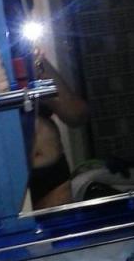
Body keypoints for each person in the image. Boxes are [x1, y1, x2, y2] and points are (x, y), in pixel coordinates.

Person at [28, 52, 89, 209]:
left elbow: (76, 115)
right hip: (4, 174)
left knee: (60, 226)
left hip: (52, 181)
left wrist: (38, 65)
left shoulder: (29, 56)